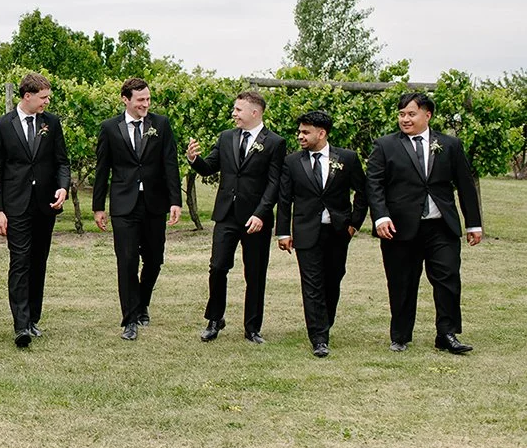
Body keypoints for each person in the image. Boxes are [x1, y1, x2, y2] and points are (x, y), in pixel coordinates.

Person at [367, 92, 482, 354]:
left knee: (448, 279)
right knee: (402, 283)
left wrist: (473, 224)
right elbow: (374, 184)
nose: (405, 119)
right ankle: (400, 335)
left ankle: (447, 334)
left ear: (427, 115)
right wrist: (381, 216)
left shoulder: (450, 145)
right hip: (399, 227)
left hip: (441, 226)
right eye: (401, 114)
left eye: (411, 114)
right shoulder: (385, 145)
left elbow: (465, 184)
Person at [185, 90, 286, 344]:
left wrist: (261, 214)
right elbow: (209, 167)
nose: (234, 114)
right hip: (226, 215)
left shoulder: (275, 142)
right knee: (218, 267)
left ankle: (252, 328)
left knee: (255, 274)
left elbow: (274, 183)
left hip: (256, 219)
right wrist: (194, 159)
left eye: (238, 110)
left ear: (255, 112)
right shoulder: (226, 137)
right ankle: (214, 319)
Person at [92, 78, 183, 341]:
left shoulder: (161, 124)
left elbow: (170, 164)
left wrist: (175, 201)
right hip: (124, 204)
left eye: (148, 99)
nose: (146, 104)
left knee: (154, 259)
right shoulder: (110, 128)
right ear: (126, 99)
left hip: (154, 203)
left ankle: (142, 302)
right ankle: (130, 319)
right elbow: (102, 169)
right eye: (140, 99)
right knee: (127, 260)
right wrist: (98, 207)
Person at [276, 111, 368, 358]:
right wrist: (283, 232)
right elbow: (284, 200)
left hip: (338, 231)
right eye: (299, 131)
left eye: (305, 132)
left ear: (322, 133)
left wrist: (354, 224)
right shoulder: (292, 162)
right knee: (312, 284)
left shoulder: (347, 158)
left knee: (333, 279)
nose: (300, 136)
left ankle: (326, 322)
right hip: (306, 231)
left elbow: (363, 192)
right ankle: (318, 337)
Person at [0, 73, 71, 348]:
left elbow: (62, 161)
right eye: (43, 97)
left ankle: (33, 318)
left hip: (45, 205)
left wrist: (62, 188)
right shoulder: (3, 125)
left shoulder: (51, 123)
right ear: (27, 96)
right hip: (16, 205)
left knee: (38, 261)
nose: (47, 102)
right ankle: (21, 325)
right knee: (20, 261)